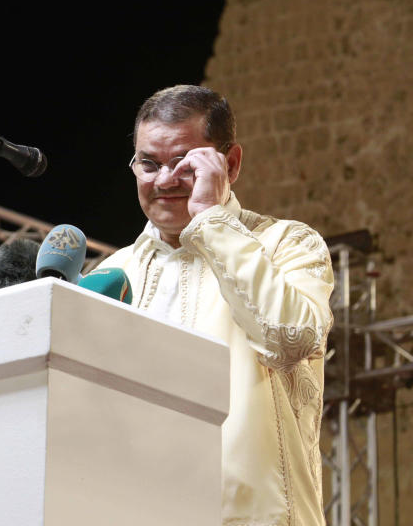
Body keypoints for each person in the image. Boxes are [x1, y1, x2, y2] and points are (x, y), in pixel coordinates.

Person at [98, 84, 334, 526]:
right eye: (148, 164)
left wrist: (211, 219)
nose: (164, 180)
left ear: (231, 163)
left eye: (185, 163)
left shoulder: (289, 243)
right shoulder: (114, 274)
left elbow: (291, 338)